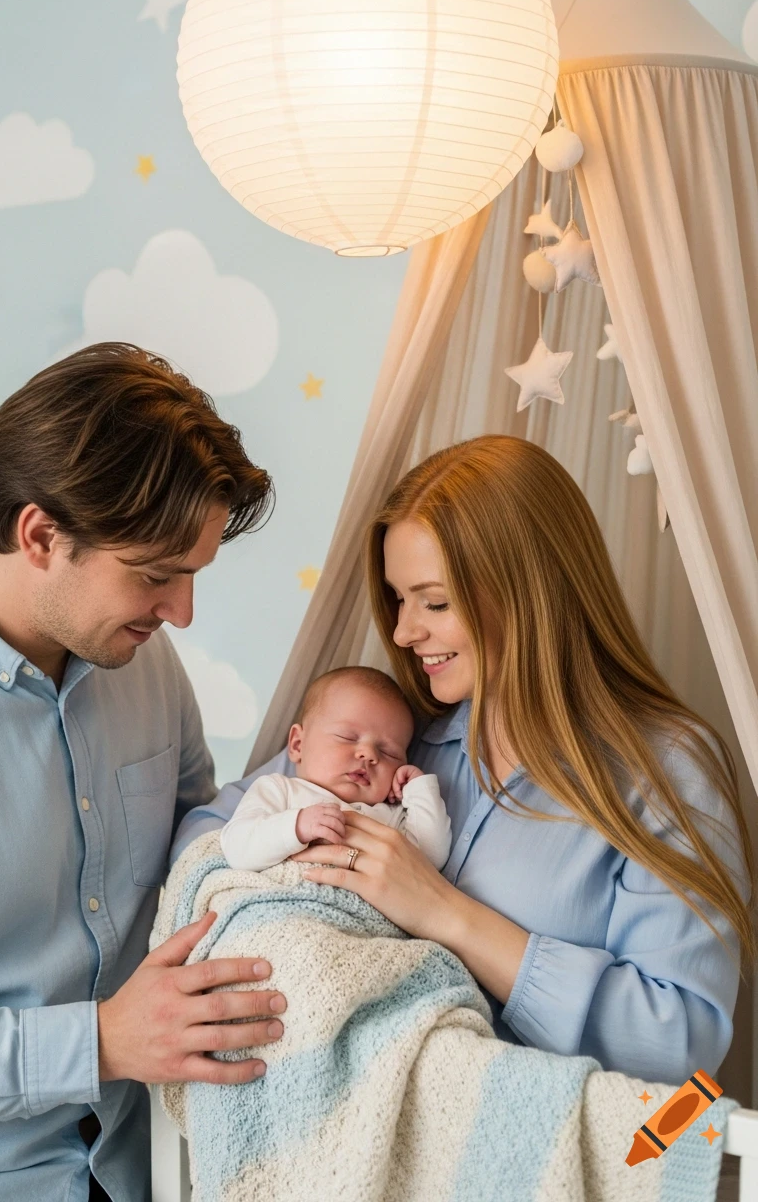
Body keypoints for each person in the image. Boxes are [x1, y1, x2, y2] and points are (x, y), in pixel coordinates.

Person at [175, 435, 755, 1087]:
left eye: (436, 602)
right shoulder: (392, 739)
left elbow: (679, 1044)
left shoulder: (667, 770)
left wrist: (444, 912)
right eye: (398, 598)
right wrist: (284, 864)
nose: (402, 632)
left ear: (530, 592)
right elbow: (207, 835)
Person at [0, 343, 290, 1202]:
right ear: (39, 535)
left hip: (150, 1166)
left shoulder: (144, 664)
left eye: (192, 575)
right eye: (156, 576)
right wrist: (96, 1043)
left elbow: (195, 853)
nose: (181, 612)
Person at [219, 666, 451, 872]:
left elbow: (429, 859)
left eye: (389, 752)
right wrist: (296, 827)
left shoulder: (389, 816)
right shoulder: (280, 790)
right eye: (347, 737)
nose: (369, 755)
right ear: (298, 744)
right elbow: (237, 847)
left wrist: (419, 789)